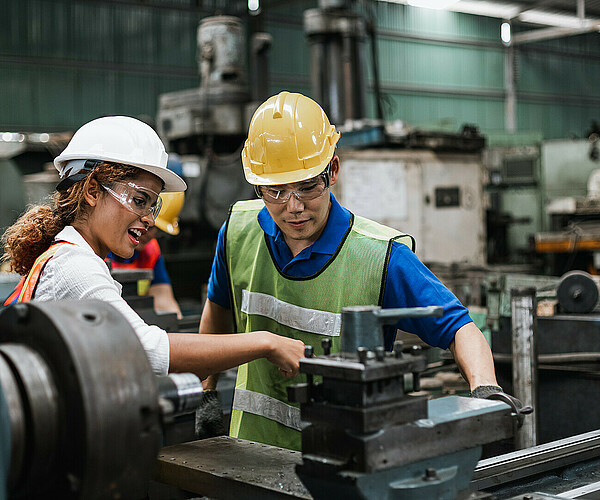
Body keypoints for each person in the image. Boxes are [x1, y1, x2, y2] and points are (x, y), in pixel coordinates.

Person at [200, 91, 505, 451]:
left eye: (307, 186)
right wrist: (206, 391)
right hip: (250, 452)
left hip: (345, 465)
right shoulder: (238, 231)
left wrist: (486, 390)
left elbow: (459, 328)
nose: (293, 206)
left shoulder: (380, 256)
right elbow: (217, 310)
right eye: (276, 191)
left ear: (333, 171)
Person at [2, 115, 304, 380]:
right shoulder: (74, 265)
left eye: (152, 204)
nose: (148, 219)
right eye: (139, 200)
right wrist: (266, 343)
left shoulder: (68, 256)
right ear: (93, 190)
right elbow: (146, 350)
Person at [109, 191, 184, 318]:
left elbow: (165, 302)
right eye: (147, 225)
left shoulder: (151, 251)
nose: (150, 234)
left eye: (157, 229)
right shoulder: (96, 248)